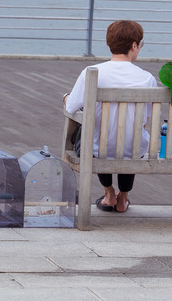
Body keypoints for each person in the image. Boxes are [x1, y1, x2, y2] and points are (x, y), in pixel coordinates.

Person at [64, 20, 155, 213]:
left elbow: (72, 106)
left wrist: (66, 98)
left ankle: (108, 194)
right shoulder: (146, 78)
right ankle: (123, 200)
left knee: (92, 134)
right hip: (134, 148)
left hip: (98, 148)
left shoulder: (92, 72)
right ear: (133, 46)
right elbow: (145, 119)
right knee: (130, 138)